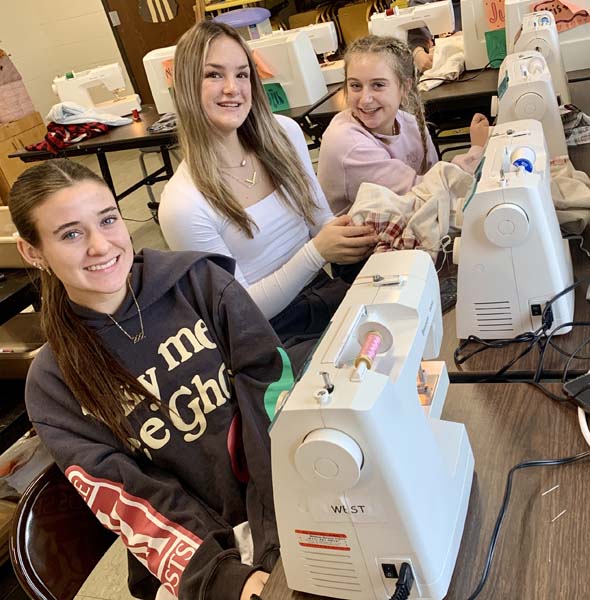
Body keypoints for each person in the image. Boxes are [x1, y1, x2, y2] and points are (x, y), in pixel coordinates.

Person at [10, 159, 296, 600]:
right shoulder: (52, 383)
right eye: (70, 234)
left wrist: (275, 537)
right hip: (198, 560)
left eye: (108, 219)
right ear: (33, 252)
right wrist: (226, 577)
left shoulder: (198, 283)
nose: (101, 245)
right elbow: (131, 499)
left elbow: (270, 397)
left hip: (286, 503)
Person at [158, 21, 377, 365]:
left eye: (242, 75)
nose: (232, 88)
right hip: (273, 336)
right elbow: (239, 309)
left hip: (325, 294)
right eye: (214, 75)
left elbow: (320, 222)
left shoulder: (284, 134)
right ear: (186, 85)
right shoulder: (183, 204)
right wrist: (317, 252)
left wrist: (364, 233)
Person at [317, 35, 489, 216]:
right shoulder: (348, 143)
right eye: (355, 86)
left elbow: (433, 185)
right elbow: (422, 198)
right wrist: (476, 151)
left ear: (405, 88)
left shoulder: (409, 123)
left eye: (377, 85)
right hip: (369, 238)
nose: (365, 99)